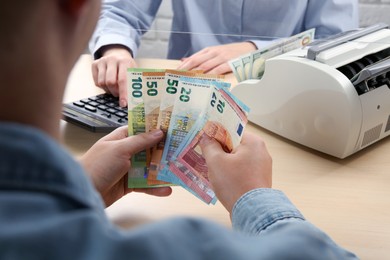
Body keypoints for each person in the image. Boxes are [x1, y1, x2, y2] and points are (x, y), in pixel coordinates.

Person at [0, 0, 358, 259]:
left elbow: (338, 38)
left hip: (287, 99)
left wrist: (78, 189)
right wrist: (255, 199)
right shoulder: (184, 246)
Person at [89, 0, 359, 107]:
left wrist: (256, 50)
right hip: (184, 98)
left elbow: (337, 39)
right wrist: (116, 49)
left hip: (282, 104)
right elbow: (120, 10)